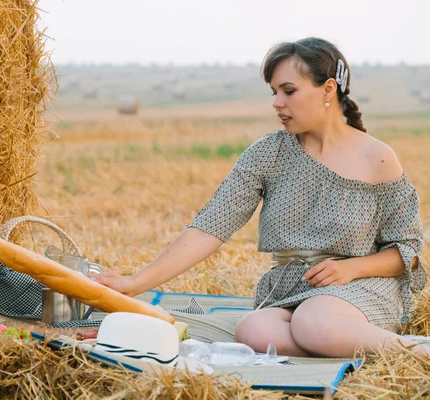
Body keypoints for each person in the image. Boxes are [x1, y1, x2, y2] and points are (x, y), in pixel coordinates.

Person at [90, 37, 428, 358]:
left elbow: (408, 250)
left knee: (315, 321)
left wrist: (351, 268)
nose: (277, 103)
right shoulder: (268, 154)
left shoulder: (378, 158)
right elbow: (211, 227)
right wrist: (135, 282)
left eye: (289, 91)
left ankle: (417, 352)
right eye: (274, 92)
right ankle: (344, 342)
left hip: (362, 288)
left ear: (328, 89)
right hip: (287, 291)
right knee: (254, 332)